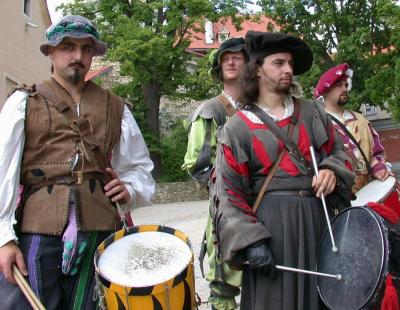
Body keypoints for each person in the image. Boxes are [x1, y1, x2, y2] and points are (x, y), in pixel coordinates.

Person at [0, 15, 155, 309]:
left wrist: (130, 190)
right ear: (50, 51)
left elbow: (139, 168)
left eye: (87, 49)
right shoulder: (24, 102)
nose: (78, 56)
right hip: (38, 228)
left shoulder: (116, 107)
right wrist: (3, 239)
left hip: (100, 227)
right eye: (68, 47)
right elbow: (1, 171)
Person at [210, 31, 354, 310]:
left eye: (290, 63)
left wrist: (330, 171)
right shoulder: (237, 128)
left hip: (317, 223)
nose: (288, 69)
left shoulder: (314, 113)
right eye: (279, 63)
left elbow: (341, 154)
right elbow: (227, 194)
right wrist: (251, 242)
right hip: (269, 231)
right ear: (258, 69)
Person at [182, 37, 248, 310]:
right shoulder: (210, 111)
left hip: (267, 203)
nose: (230, 61)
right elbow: (196, 166)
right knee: (224, 283)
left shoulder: (264, 107)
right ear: (219, 68)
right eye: (225, 58)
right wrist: (230, 187)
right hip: (227, 208)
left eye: (237, 56)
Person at [314, 63, 390, 192]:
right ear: (326, 91)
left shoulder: (361, 120)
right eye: (339, 85)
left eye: (346, 85)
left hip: (367, 192)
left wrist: (379, 167)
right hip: (337, 199)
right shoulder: (317, 123)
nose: (344, 88)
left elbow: (377, 152)